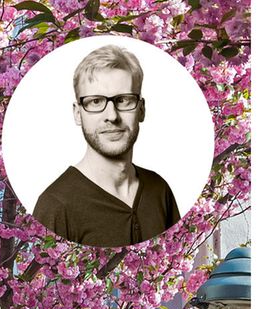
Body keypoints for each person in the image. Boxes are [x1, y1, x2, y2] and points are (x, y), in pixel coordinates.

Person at [32, 44, 179, 247]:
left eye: (124, 100)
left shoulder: (160, 190)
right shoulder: (56, 205)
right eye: (95, 102)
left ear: (141, 109)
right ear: (77, 113)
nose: (112, 116)